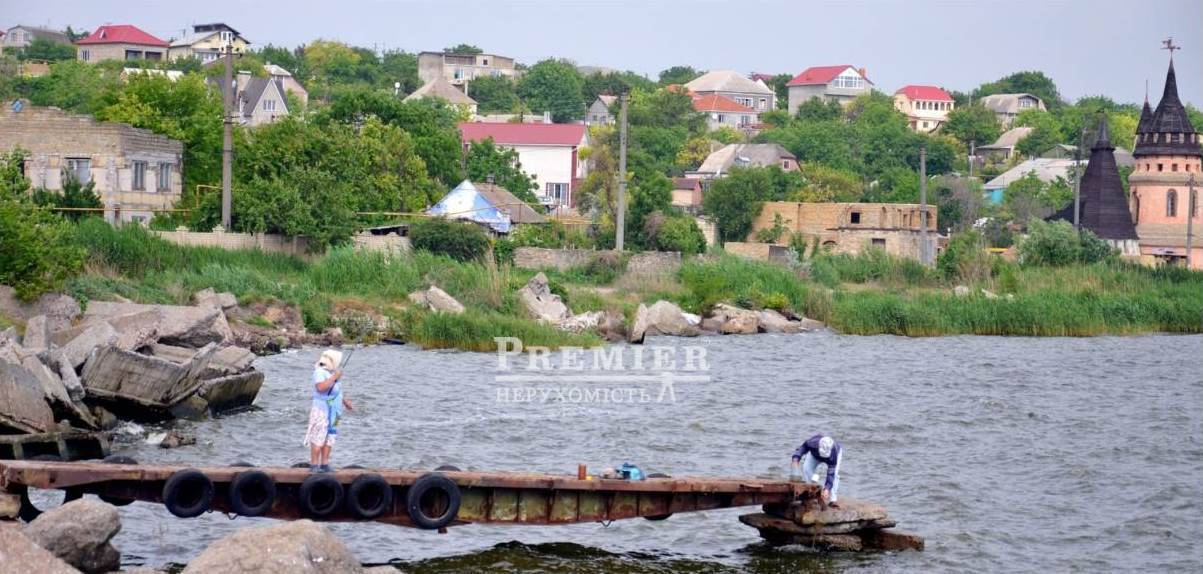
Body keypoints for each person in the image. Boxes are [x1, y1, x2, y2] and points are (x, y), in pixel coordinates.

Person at [304, 349, 354, 472]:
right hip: (321, 409)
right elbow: (320, 388)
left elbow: (336, 391)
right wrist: (334, 377)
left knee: (330, 437)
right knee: (318, 436)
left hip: (335, 411)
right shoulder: (319, 372)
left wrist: (345, 402)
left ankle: (325, 464)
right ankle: (314, 465)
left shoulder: (331, 373)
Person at [790, 434, 842, 508]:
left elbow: (831, 474)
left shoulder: (834, 454)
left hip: (831, 457)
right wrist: (796, 459)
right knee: (806, 468)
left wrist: (827, 489)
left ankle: (833, 500)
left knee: (835, 475)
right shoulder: (812, 443)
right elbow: (802, 449)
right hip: (814, 455)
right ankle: (812, 494)